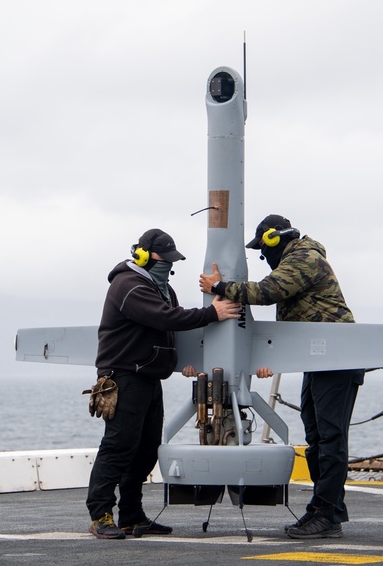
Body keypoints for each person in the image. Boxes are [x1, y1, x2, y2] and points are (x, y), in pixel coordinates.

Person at [198, 214, 361, 540]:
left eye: (263, 249)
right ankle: (324, 510)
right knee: (317, 439)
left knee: (329, 440)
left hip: (337, 360)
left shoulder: (304, 258)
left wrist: (219, 287)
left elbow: (269, 291)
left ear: (275, 239)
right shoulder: (300, 258)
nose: (263, 256)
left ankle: (327, 515)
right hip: (321, 361)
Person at [86, 228, 242, 540]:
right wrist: (212, 313)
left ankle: (131, 515)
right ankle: (100, 514)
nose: (168, 266)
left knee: (145, 450)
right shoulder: (127, 285)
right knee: (118, 447)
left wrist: (180, 362)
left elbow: (170, 327)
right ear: (142, 255)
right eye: (164, 259)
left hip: (148, 378)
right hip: (125, 377)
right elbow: (164, 318)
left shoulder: (161, 288)